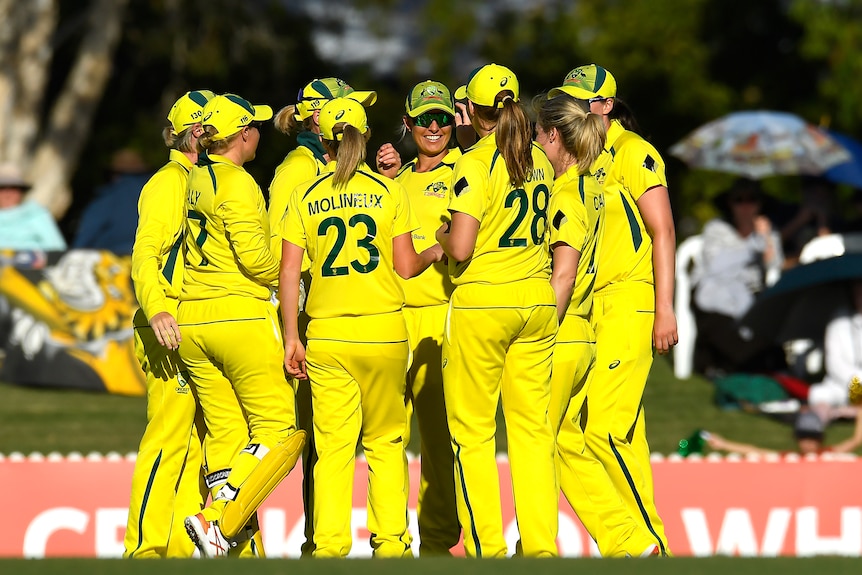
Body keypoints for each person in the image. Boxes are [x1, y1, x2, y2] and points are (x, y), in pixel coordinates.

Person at [279, 97, 443, 557]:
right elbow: (406, 266)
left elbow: (289, 271)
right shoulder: (390, 191)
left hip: (327, 335)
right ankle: (390, 545)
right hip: (384, 334)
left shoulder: (305, 195)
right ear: (366, 136)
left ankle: (329, 548)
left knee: (333, 449)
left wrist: (293, 336)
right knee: (386, 444)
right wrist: (435, 251)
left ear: (325, 142)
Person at [548, 64, 676, 555]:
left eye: (579, 102)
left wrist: (664, 308)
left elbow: (662, 229)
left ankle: (648, 545)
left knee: (603, 428)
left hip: (629, 299)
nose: (570, 110)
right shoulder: (584, 155)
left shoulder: (633, 152)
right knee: (609, 435)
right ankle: (638, 547)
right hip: (592, 306)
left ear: (604, 106)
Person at [435, 63, 558, 558]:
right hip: (536, 302)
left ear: (472, 111)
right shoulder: (541, 161)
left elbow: (460, 247)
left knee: (473, 434)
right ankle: (542, 549)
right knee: (532, 434)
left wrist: (440, 233)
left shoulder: (475, 162)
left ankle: (489, 548)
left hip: (485, 303)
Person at [178, 93, 306, 558]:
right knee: (278, 432)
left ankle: (229, 550)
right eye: (252, 127)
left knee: (228, 439)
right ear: (243, 135)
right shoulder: (238, 182)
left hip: (194, 322)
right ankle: (214, 522)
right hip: (238, 317)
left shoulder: (196, 175)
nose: (257, 134)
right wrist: (292, 278)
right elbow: (254, 258)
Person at [268, 76, 377, 557]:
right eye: (347, 107)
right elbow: (282, 256)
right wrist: (297, 328)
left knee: (330, 439)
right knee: (319, 440)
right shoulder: (298, 169)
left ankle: (321, 540)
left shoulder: (324, 164)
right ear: (319, 117)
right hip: (315, 321)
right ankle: (318, 542)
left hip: (330, 319)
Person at [125, 90, 213, 559]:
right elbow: (145, 255)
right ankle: (143, 549)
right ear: (198, 132)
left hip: (193, 325)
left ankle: (178, 552)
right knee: (167, 439)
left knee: (195, 446)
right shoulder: (168, 183)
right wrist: (159, 308)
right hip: (167, 325)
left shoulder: (202, 181)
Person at [374, 80, 461, 555]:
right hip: (389, 317)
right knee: (386, 438)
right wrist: (387, 178)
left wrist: (435, 249)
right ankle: (389, 542)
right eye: (424, 118)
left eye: (443, 118)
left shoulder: (463, 169)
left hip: (438, 315)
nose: (434, 127)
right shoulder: (394, 176)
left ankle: (438, 542)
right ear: (406, 123)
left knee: (437, 440)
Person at [692, 178, 785, 377]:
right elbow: (716, 267)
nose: (745, 205)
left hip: (752, 295)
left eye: (752, 199)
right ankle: (740, 366)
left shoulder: (767, 231)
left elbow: (774, 267)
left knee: (766, 320)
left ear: (760, 204)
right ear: (729, 203)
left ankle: (757, 366)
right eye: (739, 199)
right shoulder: (716, 228)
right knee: (718, 321)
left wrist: (765, 239)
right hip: (712, 294)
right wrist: (753, 245)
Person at [73, 149, 152, 255]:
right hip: (148, 260)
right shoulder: (154, 194)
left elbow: (85, 238)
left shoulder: (108, 198)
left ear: (114, 174)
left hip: (111, 263)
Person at [705, 407, 862, 456]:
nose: (807, 442)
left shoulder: (828, 455)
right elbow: (756, 452)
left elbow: (855, 440)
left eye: (812, 437)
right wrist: (724, 444)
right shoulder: (791, 459)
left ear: (820, 438)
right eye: (803, 437)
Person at [808, 280, 862, 410]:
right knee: (819, 395)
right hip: (842, 386)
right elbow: (835, 364)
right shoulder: (838, 321)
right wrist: (857, 383)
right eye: (858, 292)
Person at [0, 164, 66, 251]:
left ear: (21, 192)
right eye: (3, 188)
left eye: (13, 188)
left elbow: (57, 249)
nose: (8, 194)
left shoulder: (36, 214)